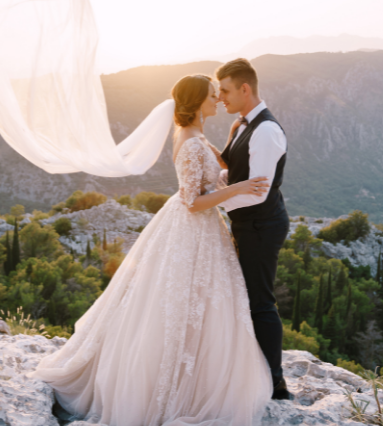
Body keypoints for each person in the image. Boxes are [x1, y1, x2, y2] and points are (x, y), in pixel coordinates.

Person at [28, 74, 274, 426]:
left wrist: (237, 148)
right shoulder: (189, 142)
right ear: (194, 102)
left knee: (200, 304)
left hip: (202, 230)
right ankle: (171, 388)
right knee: (177, 305)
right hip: (191, 229)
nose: (217, 99)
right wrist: (239, 189)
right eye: (210, 95)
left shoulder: (196, 135)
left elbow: (214, 172)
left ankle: (194, 380)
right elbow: (192, 202)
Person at [216, 58, 292, 401]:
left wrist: (213, 204)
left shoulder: (267, 131)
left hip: (262, 224)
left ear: (245, 88)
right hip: (246, 222)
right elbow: (236, 174)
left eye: (226, 90)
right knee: (244, 297)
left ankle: (275, 383)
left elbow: (258, 191)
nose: (221, 98)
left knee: (260, 301)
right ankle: (251, 369)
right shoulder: (240, 125)